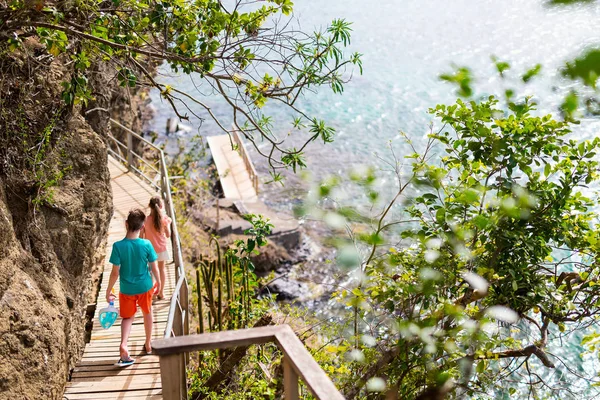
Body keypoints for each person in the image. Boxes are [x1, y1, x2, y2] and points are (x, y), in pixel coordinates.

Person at [105, 208, 161, 367]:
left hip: (126, 289)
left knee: (128, 318)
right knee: (147, 312)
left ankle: (124, 344)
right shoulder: (146, 244)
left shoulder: (117, 246)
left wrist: (108, 291)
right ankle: (148, 343)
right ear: (143, 227)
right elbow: (154, 267)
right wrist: (159, 282)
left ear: (126, 224)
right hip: (145, 287)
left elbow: (115, 273)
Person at [141, 196, 171, 300]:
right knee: (161, 269)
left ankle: (151, 294)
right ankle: (161, 292)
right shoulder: (163, 219)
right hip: (161, 249)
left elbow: (141, 237)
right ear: (161, 206)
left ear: (149, 206)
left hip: (150, 250)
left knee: (151, 271)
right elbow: (168, 235)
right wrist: (168, 224)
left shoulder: (145, 220)